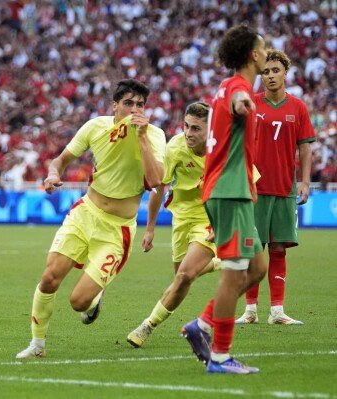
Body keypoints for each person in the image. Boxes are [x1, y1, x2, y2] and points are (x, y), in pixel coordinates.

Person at [15, 79, 166, 358]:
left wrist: (141, 137)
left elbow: (157, 181)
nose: (134, 109)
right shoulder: (95, 127)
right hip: (85, 213)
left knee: (78, 302)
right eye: (128, 104)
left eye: (140, 105)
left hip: (116, 230)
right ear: (115, 106)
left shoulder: (155, 136)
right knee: (49, 278)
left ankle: (94, 299)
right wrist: (52, 175)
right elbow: (60, 160)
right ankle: (37, 345)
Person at [181, 24, 268, 374]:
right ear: (252, 54)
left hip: (233, 190)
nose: (266, 53)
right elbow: (237, 100)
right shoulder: (238, 88)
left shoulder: (226, 86)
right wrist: (243, 103)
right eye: (263, 48)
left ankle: (202, 324)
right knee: (234, 274)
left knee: (258, 267)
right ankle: (219, 356)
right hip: (228, 192)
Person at [127, 102, 221, 348]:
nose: (189, 133)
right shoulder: (176, 147)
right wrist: (149, 228)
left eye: (196, 129)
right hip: (181, 217)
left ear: (210, 130)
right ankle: (220, 262)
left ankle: (147, 326)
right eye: (186, 126)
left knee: (185, 275)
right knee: (181, 278)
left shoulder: (225, 148)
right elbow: (160, 186)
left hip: (209, 218)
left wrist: (226, 222)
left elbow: (247, 183)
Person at [235, 50, 315, 325]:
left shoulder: (298, 107)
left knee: (278, 248)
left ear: (285, 73)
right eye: (265, 72)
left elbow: (305, 149)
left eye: (275, 71)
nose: (269, 76)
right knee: (254, 249)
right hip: (253, 189)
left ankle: (277, 311)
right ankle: (250, 310)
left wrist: (304, 181)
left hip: (284, 187)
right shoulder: (251, 105)